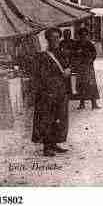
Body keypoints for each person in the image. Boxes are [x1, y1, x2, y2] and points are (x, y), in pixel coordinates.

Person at [31, 27, 72, 157]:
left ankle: (54, 143)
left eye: (57, 38)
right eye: (52, 38)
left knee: (59, 117)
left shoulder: (62, 53)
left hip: (60, 91)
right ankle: (47, 146)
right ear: (47, 39)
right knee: (47, 118)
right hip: (47, 92)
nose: (55, 40)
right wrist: (61, 75)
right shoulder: (43, 56)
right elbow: (41, 75)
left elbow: (68, 65)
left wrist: (68, 71)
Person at [73, 27, 101, 110]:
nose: (83, 37)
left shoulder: (89, 44)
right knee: (81, 85)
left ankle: (94, 103)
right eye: (82, 35)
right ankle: (82, 103)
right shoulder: (76, 44)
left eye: (85, 35)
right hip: (80, 67)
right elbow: (73, 55)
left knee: (91, 85)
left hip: (88, 67)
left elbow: (94, 54)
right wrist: (77, 55)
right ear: (79, 36)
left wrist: (89, 58)